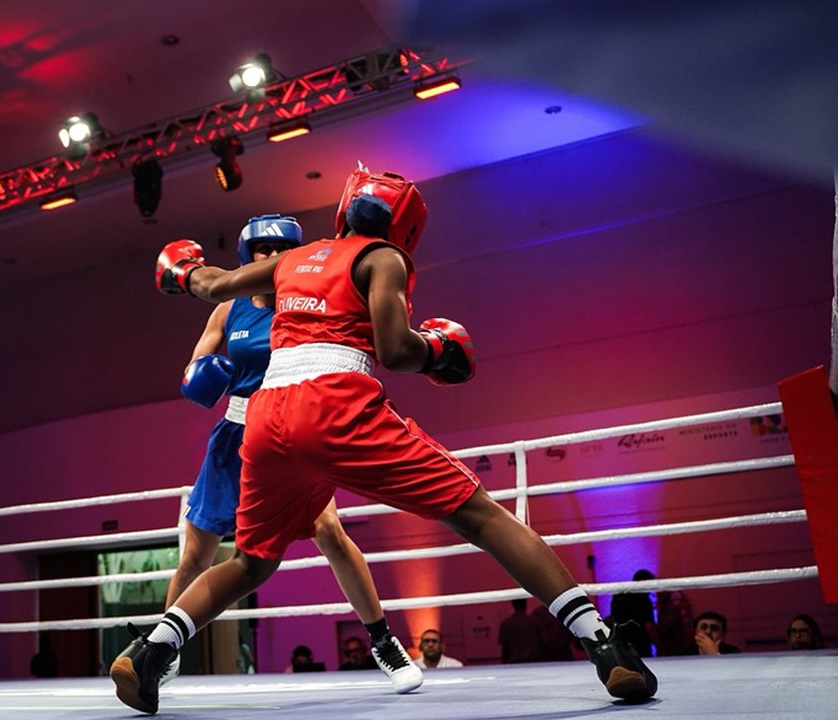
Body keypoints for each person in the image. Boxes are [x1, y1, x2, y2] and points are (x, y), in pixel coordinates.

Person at [112, 166, 657, 714]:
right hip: (338, 403)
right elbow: (396, 350)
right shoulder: (383, 258)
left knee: (252, 562)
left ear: (344, 210)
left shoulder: (294, 260)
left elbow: (208, 283)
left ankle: (151, 650)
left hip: (267, 416)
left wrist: (180, 272)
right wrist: (439, 350)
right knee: (482, 516)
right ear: (405, 227)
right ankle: (603, 643)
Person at [162, 214, 417, 692]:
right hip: (235, 433)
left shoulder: (305, 302)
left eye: (278, 249)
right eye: (260, 250)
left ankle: (382, 641)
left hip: (286, 428)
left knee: (329, 531)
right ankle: (162, 649)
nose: (270, 258)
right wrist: (202, 374)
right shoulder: (229, 308)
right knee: (197, 551)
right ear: (246, 256)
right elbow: (192, 368)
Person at [609, 569, 659, 657]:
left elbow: (613, 621)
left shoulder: (619, 598)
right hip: (640, 646)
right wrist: (660, 648)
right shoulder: (644, 601)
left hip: (622, 645)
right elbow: (649, 627)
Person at [499, 598, 546, 663]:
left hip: (514, 662)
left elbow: (505, 649)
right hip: (534, 662)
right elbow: (543, 644)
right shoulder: (535, 622)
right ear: (525, 604)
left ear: (513, 605)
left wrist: (504, 665)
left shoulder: (506, 623)